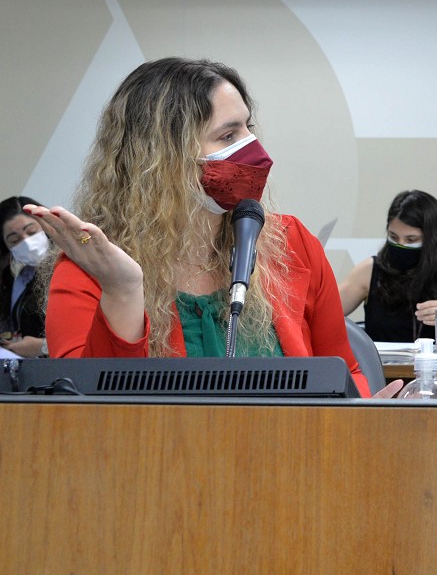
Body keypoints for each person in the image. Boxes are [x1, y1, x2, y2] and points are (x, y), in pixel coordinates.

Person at [29, 57, 397, 398]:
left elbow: (345, 371)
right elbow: (88, 412)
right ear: (163, 158)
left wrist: (362, 411)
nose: (254, 150)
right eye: (228, 136)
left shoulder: (291, 243)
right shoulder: (93, 270)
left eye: (248, 128)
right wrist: (122, 292)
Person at [339, 189, 437, 342]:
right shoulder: (370, 270)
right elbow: (326, 312)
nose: (401, 245)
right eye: (393, 237)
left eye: (411, 240)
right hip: (383, 358)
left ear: (432, 238)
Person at [1, 195, 48, 357]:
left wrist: (43, 347)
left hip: (69, 363)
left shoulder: (72, 264)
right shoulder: (22, 278)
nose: (27, 243)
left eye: (32, 232)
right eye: (14, 240)